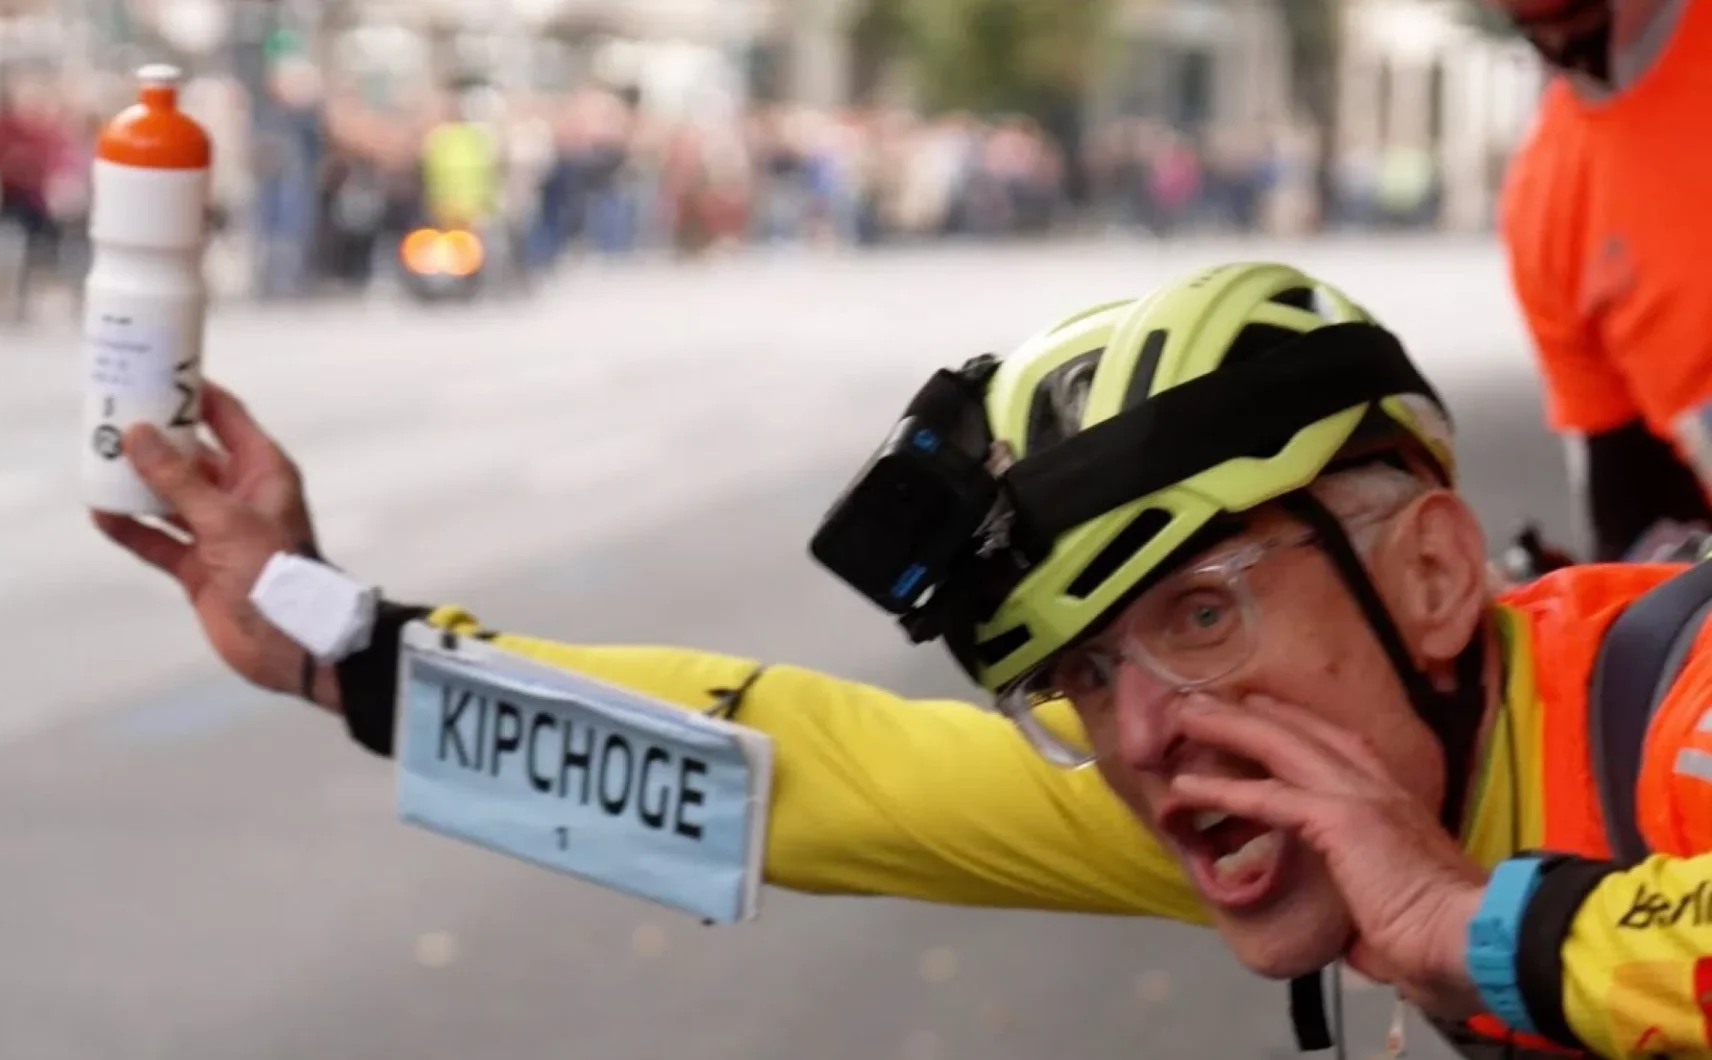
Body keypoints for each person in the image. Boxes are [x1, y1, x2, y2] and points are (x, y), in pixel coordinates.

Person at [95, 262, 1712, 1060]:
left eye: (1202, 616)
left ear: (1431, 575)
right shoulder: (1255, 776)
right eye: (1080, 678)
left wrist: (1463, 923)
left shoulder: (1672, 697)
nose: (1143, 736)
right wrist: (337, 645)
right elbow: (803, 777)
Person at [1495, 0, 1712, 569]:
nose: (1568, 46)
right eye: (1541, 28)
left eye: (1579, 15)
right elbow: (1629, 492)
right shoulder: (1543, 204)